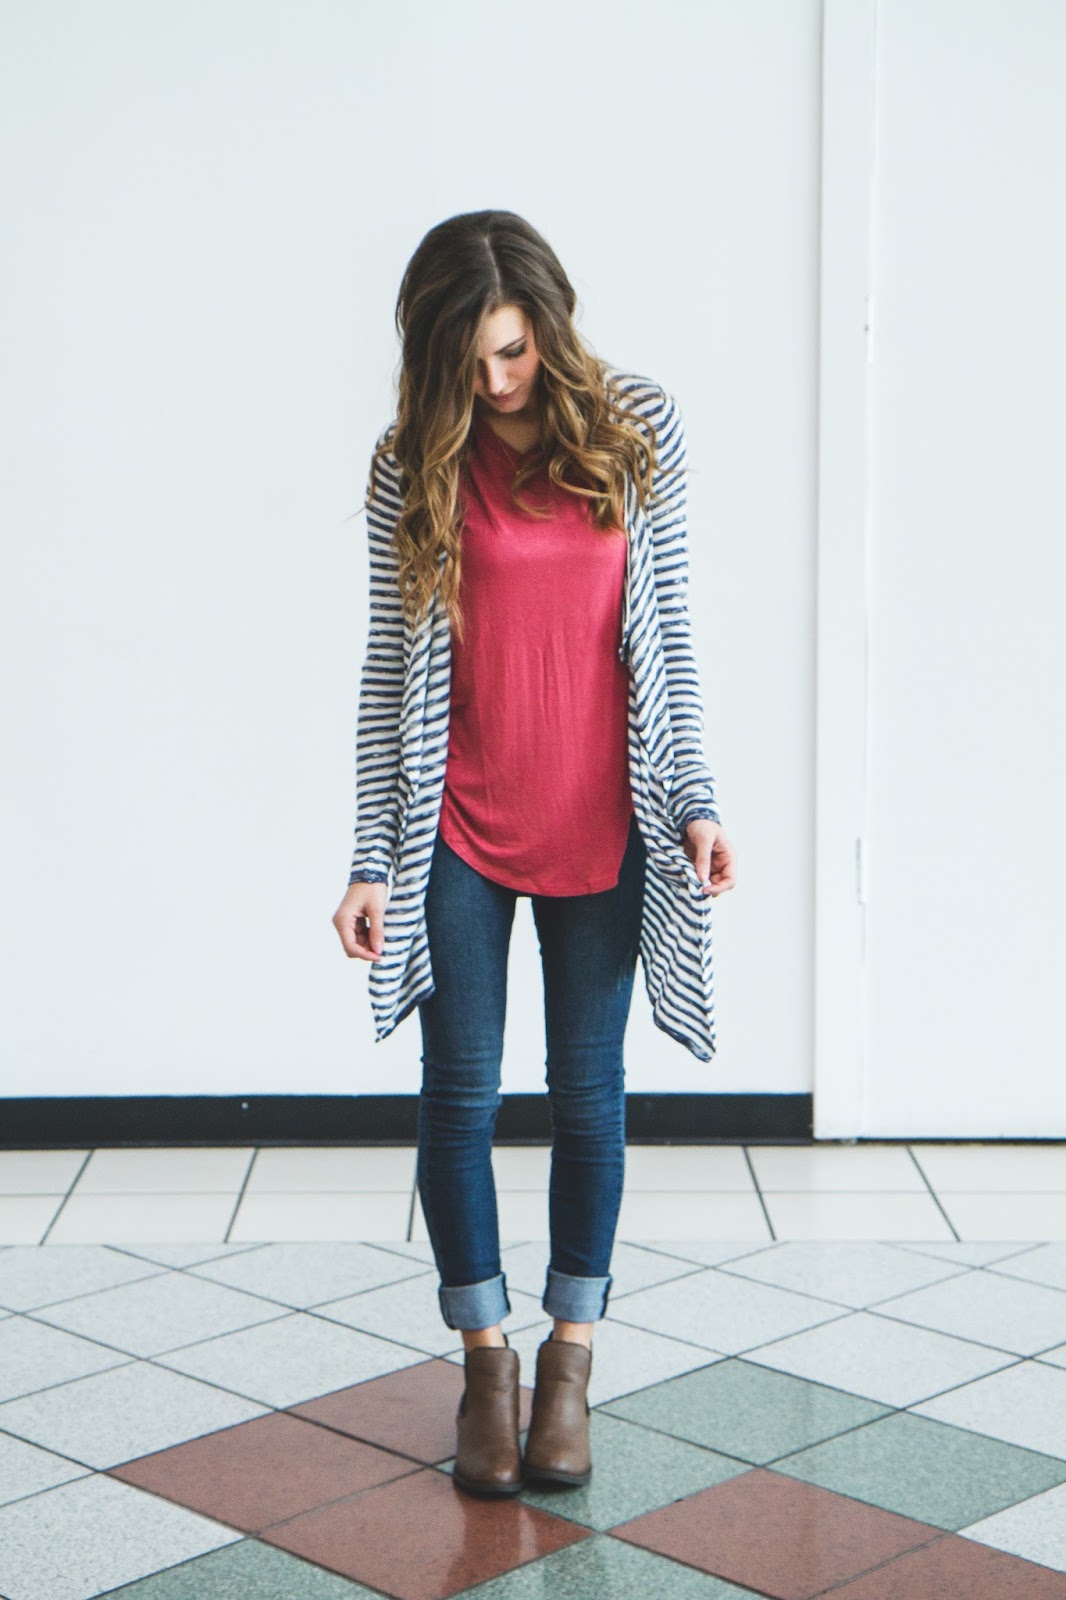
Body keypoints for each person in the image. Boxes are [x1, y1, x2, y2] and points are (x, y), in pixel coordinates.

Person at [332, 210, 736, 1499]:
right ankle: (484, 1365)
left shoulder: (636, 429)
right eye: (471, 362)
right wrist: (369, 859)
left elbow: (669, 633)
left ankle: (569, 1362)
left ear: (547, 328)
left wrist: (696, 802)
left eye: (511, 352)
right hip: (457, 823)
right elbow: (388, 672)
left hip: (605, 824)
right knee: (458, 1095)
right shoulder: (413, 462)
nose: (497, 381)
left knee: (587, 1094)